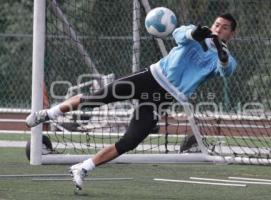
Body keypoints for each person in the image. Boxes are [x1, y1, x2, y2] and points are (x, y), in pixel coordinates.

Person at [26, 13, 237, 190]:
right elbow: (178, 34)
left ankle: (83, 167)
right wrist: (193, 33)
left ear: (231, 34)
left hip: (163, 98)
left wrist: (223, 57)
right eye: (217, 24)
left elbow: (226, 71)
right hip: (149, 78)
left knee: (131, 140)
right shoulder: (195, 33)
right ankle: (48, 114)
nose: (219, 29)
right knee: (96, 99)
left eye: (225, 27)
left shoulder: (224, 57)